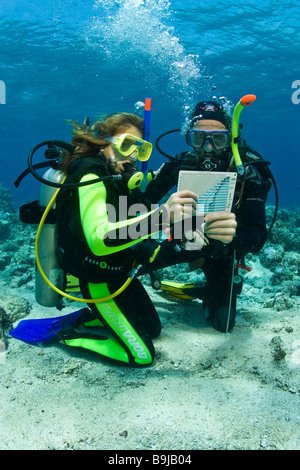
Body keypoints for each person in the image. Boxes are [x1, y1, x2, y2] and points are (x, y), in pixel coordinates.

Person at [55, 112, 203, 367]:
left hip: (119, 274)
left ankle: (100, 318)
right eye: (126, 145)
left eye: (140, 149)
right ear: (104, 143)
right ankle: (69, 337)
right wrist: (163, 217)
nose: (132, 156)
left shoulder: (114, 174)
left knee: (153, 329)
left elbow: (138, 200)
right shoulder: (91, 175)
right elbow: (99, 240)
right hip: (98, 279)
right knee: (142, 355)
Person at [143, 100, 268, 333]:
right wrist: (160, 214)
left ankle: (203, 289)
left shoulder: (248, 172)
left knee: (223, 325)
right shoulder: (179, 164)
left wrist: (235, 237)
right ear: (188, 138)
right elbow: (138, 206)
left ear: (230, 138)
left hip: (222, 251)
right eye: (199, 138)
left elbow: (258, 237)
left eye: (218, 139)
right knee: (125, 267)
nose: (208, 148)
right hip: (181, 242)